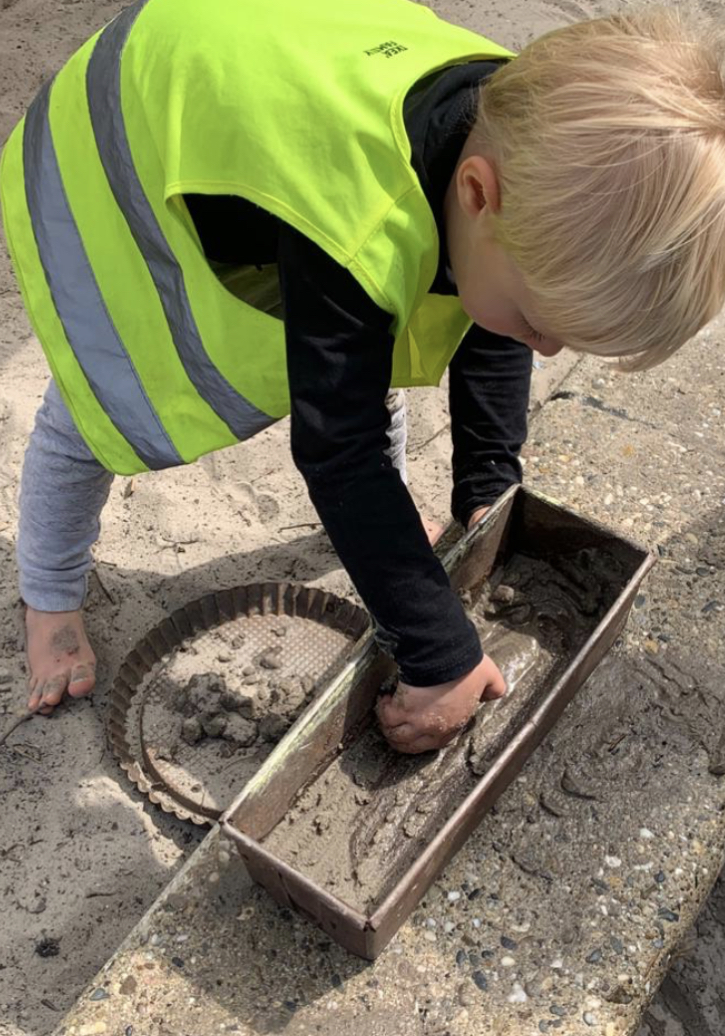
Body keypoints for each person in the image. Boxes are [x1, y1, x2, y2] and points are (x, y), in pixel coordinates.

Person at [2, 0, 724, 754]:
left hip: (275, 100)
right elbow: (337, 448)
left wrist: (486, 484)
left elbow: (486, 321)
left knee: (381, 345)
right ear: (475, 195)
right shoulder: (359, 222)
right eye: (540, 324)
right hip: (133, 143)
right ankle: (48, 596)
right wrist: (438, 654)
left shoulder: (523, 151)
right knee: (106, 398)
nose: (542, 352)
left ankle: (392, 514)